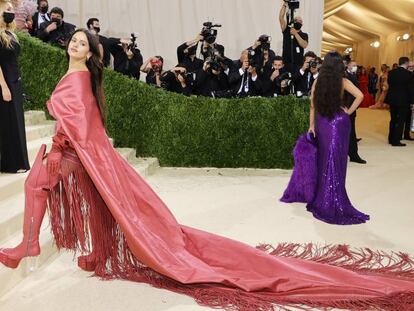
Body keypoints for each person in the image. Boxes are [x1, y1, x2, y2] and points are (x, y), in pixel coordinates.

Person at [1, 30, 414, 310]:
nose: (74, 44)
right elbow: (83, 124)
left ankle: (32, 246)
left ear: (90, 51)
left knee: (43, 181)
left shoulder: (80, 82)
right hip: (80, 152)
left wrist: (65, 146)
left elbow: (81, 124)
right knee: (62, 187)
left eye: (80, 42)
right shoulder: (77, 77)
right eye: (72, 40)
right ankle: (73, 249)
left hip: (78, 151)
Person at [283, 51, 369, 224]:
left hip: (322, 122)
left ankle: (323, 195)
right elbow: (360, 96)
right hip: (339, 122)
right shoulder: (343, 81)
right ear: (339, 66)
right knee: (336, 159)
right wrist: (349, 112)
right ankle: (334, 196)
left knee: (324, 158)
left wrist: (312, 125)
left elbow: (313, 106)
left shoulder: (318, 81)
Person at [0, 0, 30, 173]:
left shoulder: (10, 33)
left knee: (17, 122)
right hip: (5, 83)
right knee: (8, 123)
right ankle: (10, 163)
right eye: (8, 9)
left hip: (16, 81)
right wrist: (3, 86)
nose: (12, 12)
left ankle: (19, 162)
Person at [386, 57, 414, 146]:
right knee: (401, 120)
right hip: (403, 100)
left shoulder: (391, 73)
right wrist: (412, 102)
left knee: (393, 119)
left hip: (392, 99)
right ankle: (396, 140)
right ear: (406, 63)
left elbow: (390, 84)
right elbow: (410, 89)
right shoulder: (408, 74)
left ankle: (390, 138)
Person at [344, 58, 366, 164]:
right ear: (347, 65)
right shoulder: (343, 76)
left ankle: (353, 154)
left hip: (352, 107)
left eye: (356, 65)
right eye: (353, 65)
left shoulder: (353, 75)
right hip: (345, 107)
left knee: (352, 132)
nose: (355, 67)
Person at [279, 1, 308, 73]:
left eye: (300, 21)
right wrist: (285, 4)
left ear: (302, 24)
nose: (298, 22)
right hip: (286, 63)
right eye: (296, 20)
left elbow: (304, 45)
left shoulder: (304, 35)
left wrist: (295, 34)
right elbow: (281, 18)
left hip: (298, 65)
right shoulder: (287, 30)